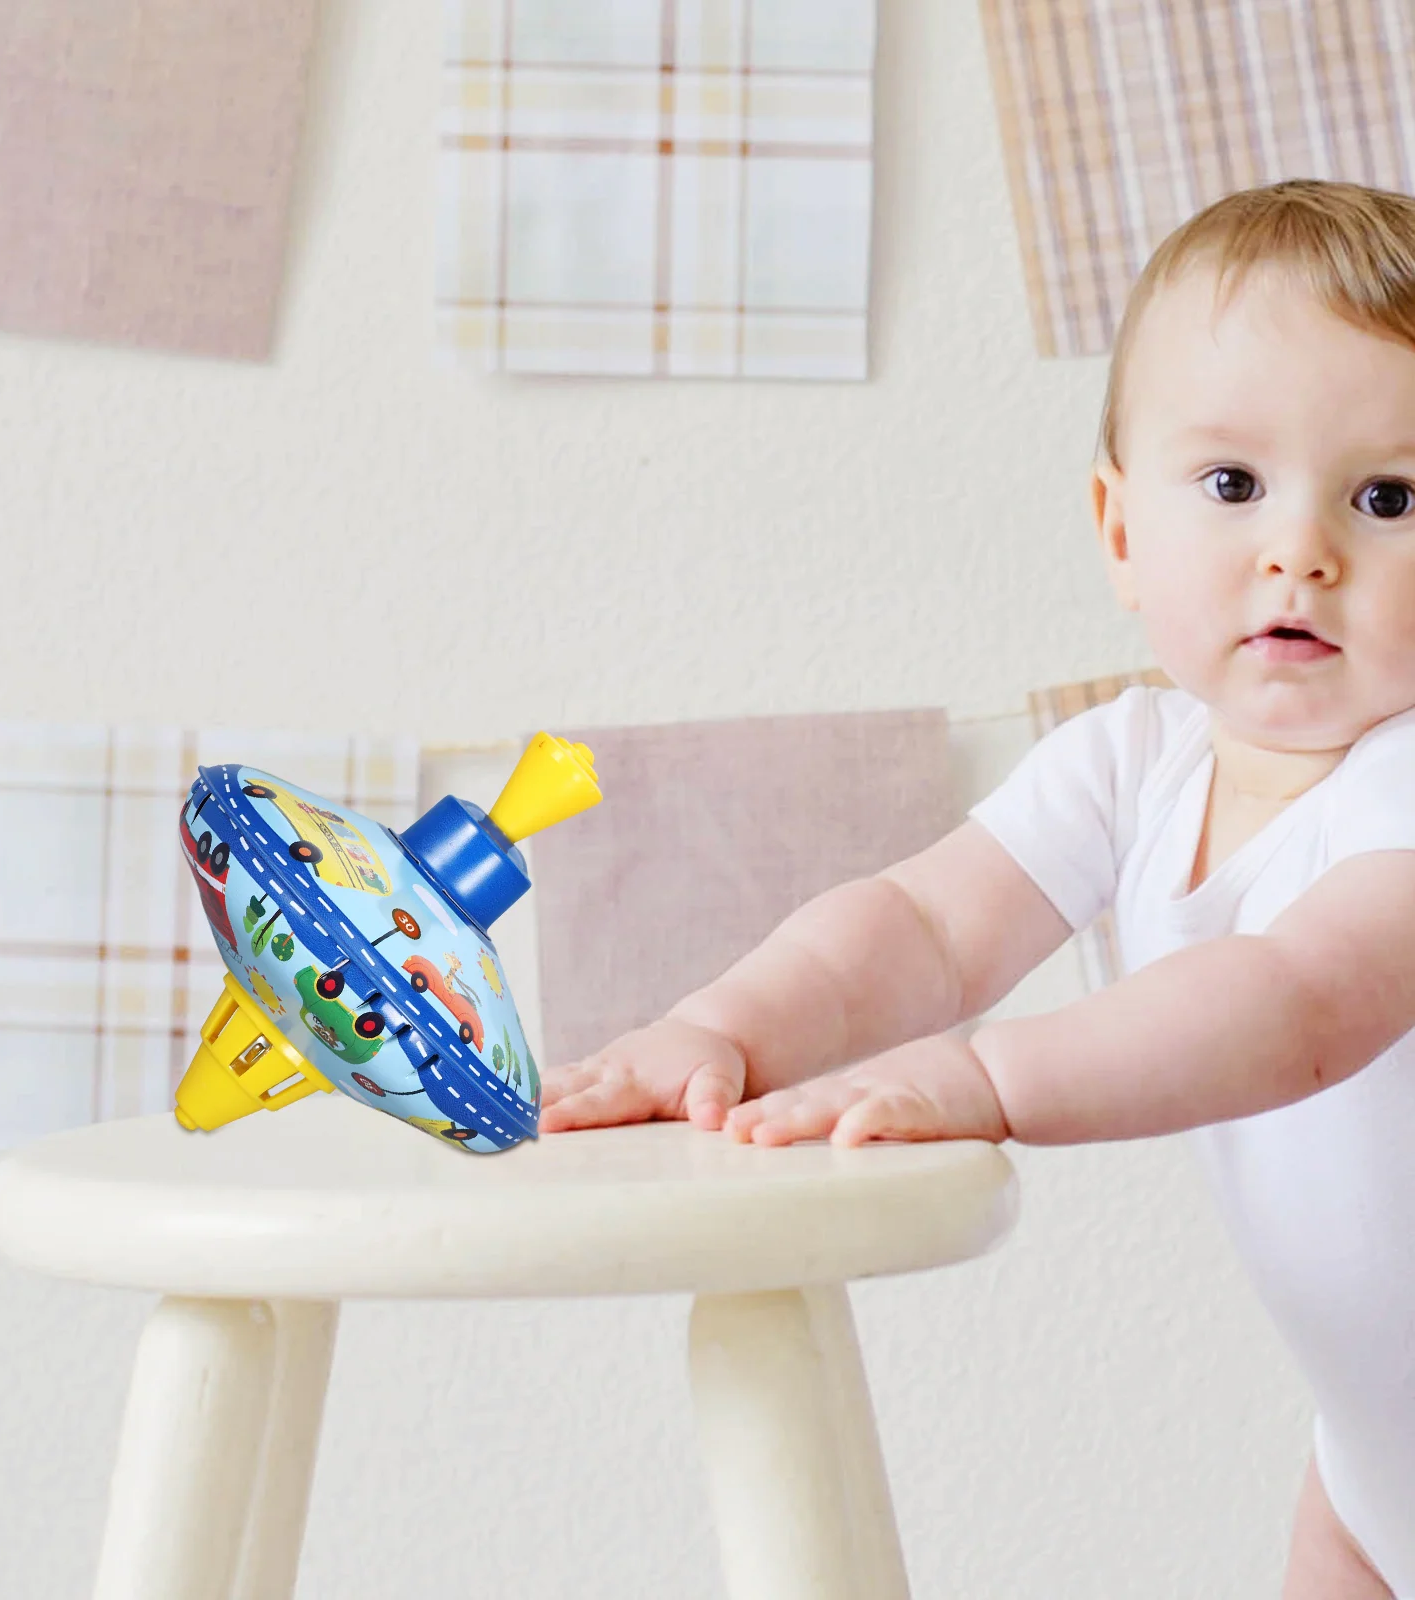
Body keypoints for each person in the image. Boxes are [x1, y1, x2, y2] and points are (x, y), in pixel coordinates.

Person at [539, 179, 1415, 1598]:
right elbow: (924, 926)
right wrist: (725, 1028)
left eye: (1390, 496)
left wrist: (988, 1081)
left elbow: (1299, 1002)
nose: (1300, 549)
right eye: (1234, 484)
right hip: (1375, 1464)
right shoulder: (1132, 762)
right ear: (1120, 531)